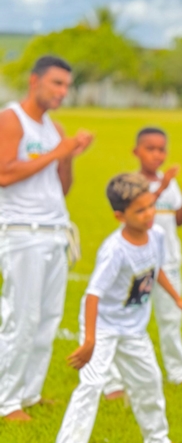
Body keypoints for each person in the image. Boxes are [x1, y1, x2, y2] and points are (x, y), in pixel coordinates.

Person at [47, 173, 182, 443]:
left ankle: (158, 440)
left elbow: (155, 271)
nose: (149, 214)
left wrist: (179, 300)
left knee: (149, 381)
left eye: (151, 206)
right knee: (89, 388)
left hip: (133, 330)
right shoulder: (114, 250)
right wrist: (89, 341)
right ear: (120, 216)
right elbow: (93, 294)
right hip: (103, 327)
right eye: (140, 211)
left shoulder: (156, 236)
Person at [0, 55, 93, 421]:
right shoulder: (11, 119)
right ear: (34, 81)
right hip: (23, 233)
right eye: (56, 83)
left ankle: (30, 392)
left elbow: (61, 186)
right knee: (22, 318)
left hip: (55, 232)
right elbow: (4, 173)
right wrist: (58, 151)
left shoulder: (54, 128)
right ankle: (6, 401)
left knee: (48, 319)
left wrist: (68, 155)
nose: (62, 92)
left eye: (67, 86)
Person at [104, 127, 182, 400]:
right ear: (136, 151)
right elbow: (143, 206)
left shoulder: (169, 181)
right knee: (128, 319)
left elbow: (177, 218)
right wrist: (162, 185)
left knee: (171, 318)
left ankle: (178, 372)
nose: (157, 155)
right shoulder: (132, 184)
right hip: (138, 264)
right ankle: (113, 380)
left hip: (168, 260)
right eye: (150, 148)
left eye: (161, 149)